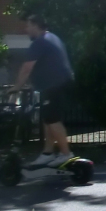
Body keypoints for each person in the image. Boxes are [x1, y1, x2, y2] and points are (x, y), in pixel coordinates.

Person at [14, 13, 76, 167]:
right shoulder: (52, 37)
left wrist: (16, 87)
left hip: (55, 86)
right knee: (48, 119)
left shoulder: (40, 42)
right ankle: (47, 153)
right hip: (57, 85)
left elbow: (26, 69)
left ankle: (66, 154)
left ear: (36, 26)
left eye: (28, 26)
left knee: (53, 120)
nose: (26, 29)